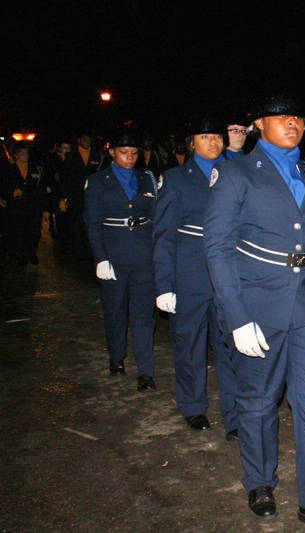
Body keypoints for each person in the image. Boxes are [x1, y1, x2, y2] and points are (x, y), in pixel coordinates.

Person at [203, 92, 305, 531]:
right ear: (258, 124)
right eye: (282, 116)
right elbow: (217, 248)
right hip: (258, 303)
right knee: (257, 400)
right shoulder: (234, 173)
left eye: (298, 118)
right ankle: (259, 482)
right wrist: (237, 317)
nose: (293, 123)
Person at [152, 117, 238, 438]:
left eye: (217, 136)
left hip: (227, 272)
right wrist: (164, 284)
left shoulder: (235, 173)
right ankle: (192, 405)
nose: (213, 142)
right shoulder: (175, 179)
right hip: (190, 273)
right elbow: (163, 234)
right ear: (192, 143)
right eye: (204, 137)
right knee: (190, 344)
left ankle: (234, 415)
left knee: (230, 346)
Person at [83, 127, 157, 391]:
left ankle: (145, 371)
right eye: (124, 152)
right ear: (112, 152)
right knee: (115, 310)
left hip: (143, 255)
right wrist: (100, 259)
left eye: (134, 152)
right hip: (114, 255)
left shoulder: (147, 179)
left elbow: (156, 217)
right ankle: (116, 356)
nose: (130, 157)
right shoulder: (97, 181)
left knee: (143, 315)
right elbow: (92, 224)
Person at [62, 130, 104, 260]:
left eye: (89, 139)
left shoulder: (98, 156)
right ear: (79, 140)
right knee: (75, 224)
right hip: (75, 196)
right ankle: (78, 251)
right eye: (85, 139)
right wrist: (64, 197)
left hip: (93, 197)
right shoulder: (71, 156)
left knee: (92, 224)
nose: (88, 141)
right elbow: (65, 178)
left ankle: (92, 250)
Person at [4, 145, 45, 266]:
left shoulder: (35, 169)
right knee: (20, 231)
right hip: (17, 207)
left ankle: (32, 253)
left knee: (34, 232)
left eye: (26, 153)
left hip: (33, 206)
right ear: (16, 155)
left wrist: (45, 208)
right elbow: (3, 187)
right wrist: (11, 193)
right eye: (22, 153)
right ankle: (22, 256)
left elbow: (41, 189)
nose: (25, 155)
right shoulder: (9, 170)